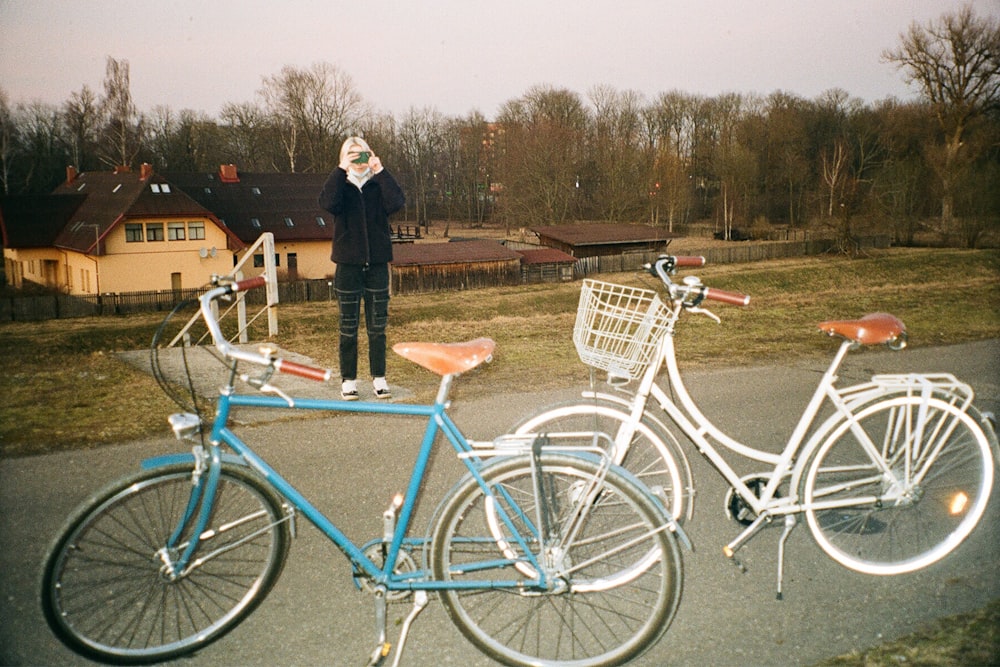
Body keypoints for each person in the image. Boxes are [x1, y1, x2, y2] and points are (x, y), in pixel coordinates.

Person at [318, 136, 405, 400]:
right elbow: (327, 203)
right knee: (348, 327)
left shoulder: (378, 186)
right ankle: (348, 381)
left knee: (377, 327)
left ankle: (379, 378)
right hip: (347, 266)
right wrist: (341, 169)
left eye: (362, 154)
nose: (358, 160)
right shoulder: (341, 187)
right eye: (352, 154)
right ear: (344, 158)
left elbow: (397, 203)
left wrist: (380, 170)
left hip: (377, 265)